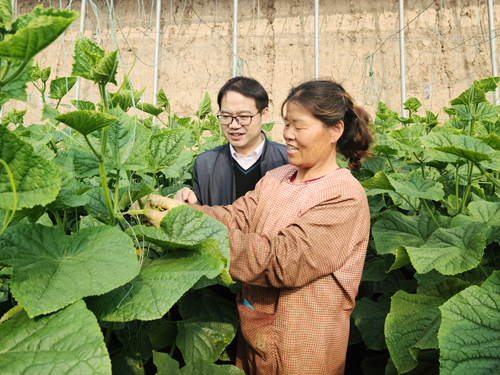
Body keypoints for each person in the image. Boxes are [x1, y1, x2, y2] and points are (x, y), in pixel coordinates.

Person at [147, 80, 373, 374]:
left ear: (335, 130)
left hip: (303, 347)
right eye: (287, 124)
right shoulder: (279, 176)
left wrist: (193, 230)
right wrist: (184, 213)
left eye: (299, 127)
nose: (288, 135)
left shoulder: (343, 195)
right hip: (257, 333)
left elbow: (282, 260)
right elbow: (237, 216)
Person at [190, 76, 288, 205]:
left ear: (263, 115)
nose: (234, 125)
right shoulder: (204, 164)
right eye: (226, 116)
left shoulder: (288, 161)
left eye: (243, 116)